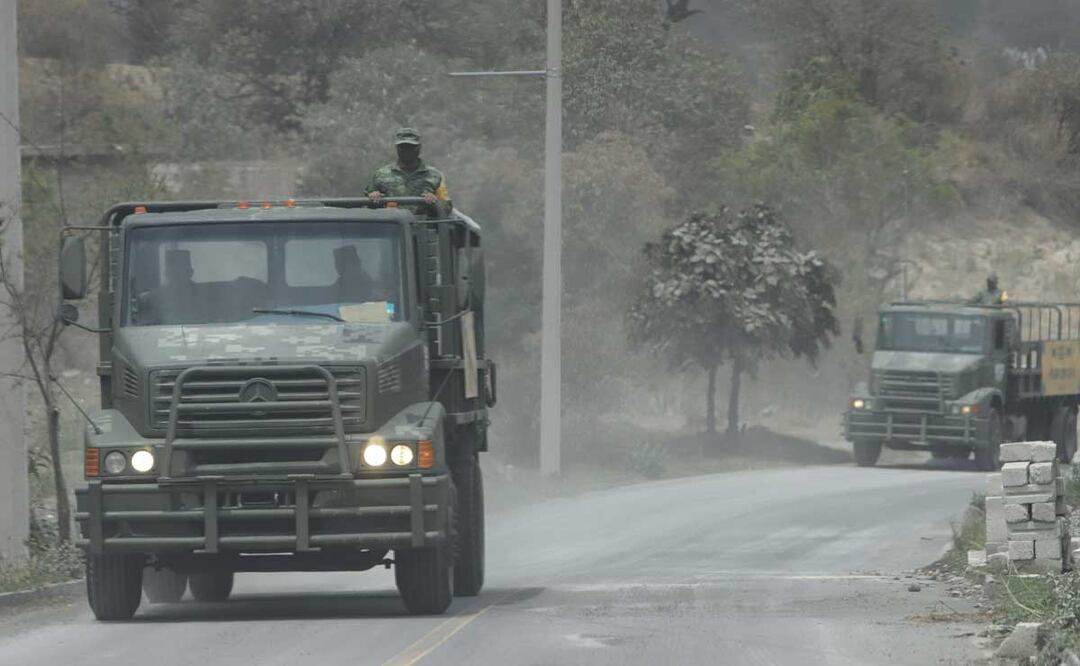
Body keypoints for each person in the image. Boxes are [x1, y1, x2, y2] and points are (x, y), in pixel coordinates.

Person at [367, 128, 450, 205]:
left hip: (421, 216)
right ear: (397, 148)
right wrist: (374, 196)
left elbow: (446, 207)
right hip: (391, 216)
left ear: (419, 147)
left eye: (411, 147)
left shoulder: (434, 176)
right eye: (402, 147)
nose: (406, 151)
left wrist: (435, 201)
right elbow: (367, 205)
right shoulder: (381, 174)